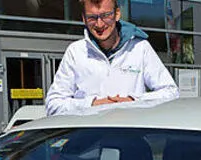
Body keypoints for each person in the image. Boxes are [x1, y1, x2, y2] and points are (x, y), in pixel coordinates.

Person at [45, 0, 178, 116]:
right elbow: (53, 105)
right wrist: (93, 104)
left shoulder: (140, 48)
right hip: (87, 141)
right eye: (92, 17)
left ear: (117, 14)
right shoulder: (75, 52)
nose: (99, 24)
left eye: (106, 15)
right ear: (84, 19)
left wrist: (133, 101)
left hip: (130, 137)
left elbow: (171, 93)